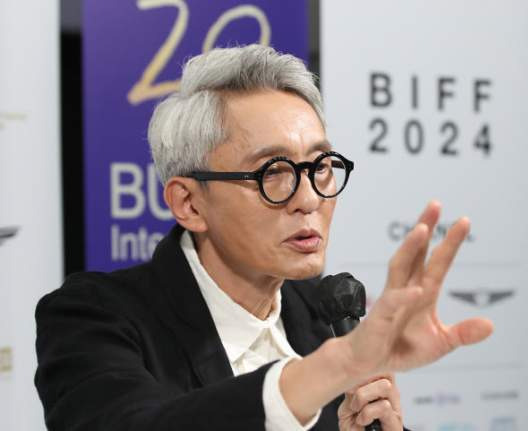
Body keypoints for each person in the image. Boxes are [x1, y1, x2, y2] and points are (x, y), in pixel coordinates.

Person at [34, 44, 494, 430]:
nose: (309, 198)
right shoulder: (93, 316)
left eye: (320, 166)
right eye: (273, 171)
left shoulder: (322, 314)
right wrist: (336, 365)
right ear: (189, 203)